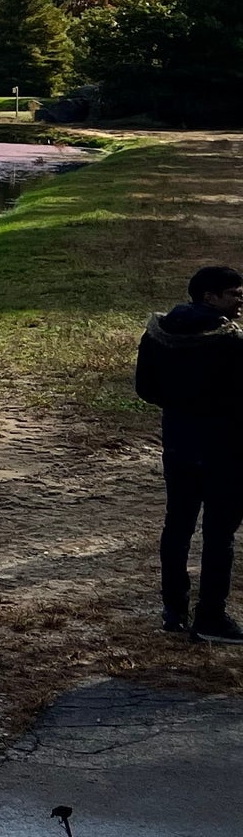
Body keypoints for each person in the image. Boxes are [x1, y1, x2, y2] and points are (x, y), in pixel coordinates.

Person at [136, 264, 243, 642]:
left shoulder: (158, 333)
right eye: (234, 295)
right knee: (219, 536)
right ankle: (211, 617)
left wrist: (182, 406)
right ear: (209, 297)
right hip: (227, 451)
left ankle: (173, 611)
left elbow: (146, 390)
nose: (239, 303)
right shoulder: (231, 341)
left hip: (179, 444)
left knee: (177, 526)